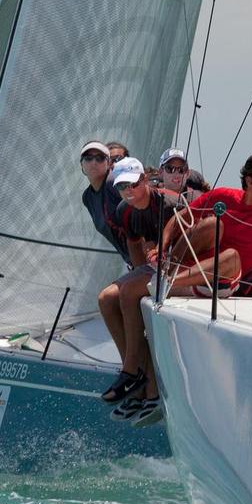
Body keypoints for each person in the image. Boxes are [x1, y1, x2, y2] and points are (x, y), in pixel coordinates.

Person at [97, 158, 177, 428]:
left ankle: (134, 374)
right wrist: (142, 272)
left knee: (130, 291)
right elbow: (133, 244)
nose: (129, 192)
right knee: (106, 298)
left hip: (182, 269)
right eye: (122, 187)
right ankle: (137, 382)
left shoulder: (169, 204)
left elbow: (191, 245)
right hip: (154, 270)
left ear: (145, 180)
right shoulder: (125, 210)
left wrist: (146, 276)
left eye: (133, 184)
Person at [161, 150, 252, 300]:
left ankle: (168, 283)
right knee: (212, 223)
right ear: (249, 181)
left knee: (232, 256)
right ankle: (165, 272)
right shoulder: (223, 196)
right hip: (191, 270)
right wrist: (161, 247)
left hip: (223, 281)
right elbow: (180, 218)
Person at [79, 141, 129, 262]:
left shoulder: (115, 183)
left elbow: (141, 214)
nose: (94, 162)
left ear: (108, 163)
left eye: (100, 158)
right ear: (81, 164)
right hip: (131, 260)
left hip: (150, 256)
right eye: (88, 158)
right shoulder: (87, 197)